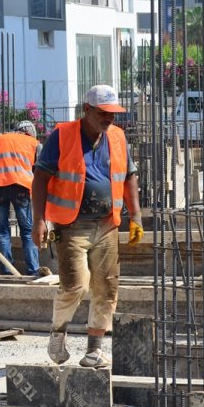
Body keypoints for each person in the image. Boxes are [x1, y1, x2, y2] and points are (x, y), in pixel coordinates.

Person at [31, 85, 143, 367]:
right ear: (87, 110)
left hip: (107, 224)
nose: (109, 118)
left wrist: (136, 216)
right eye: (103, 113)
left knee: (106, 287)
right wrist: (39, 220)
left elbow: (129, 176)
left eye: (112, 114)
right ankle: (58, 331)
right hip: (70, 226)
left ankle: (94, 350)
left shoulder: (117, 137)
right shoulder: (62, 136)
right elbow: (40, 178)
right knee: (75, 286)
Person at [0, 120, 42, 276]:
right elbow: (42, 170)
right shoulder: (34, 143)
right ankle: (33, 271)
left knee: (2, 232)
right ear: (31, 133)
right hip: (22, 187)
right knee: (27, 231)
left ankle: (7, 272)